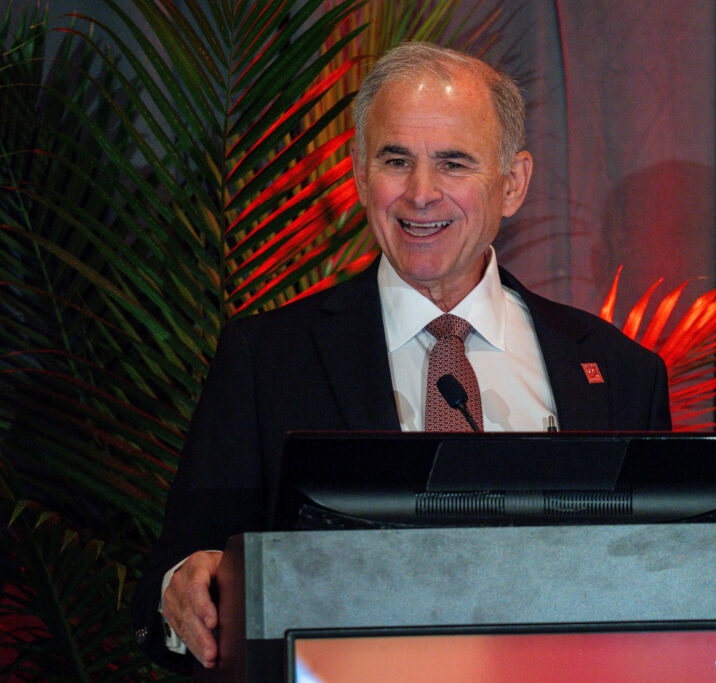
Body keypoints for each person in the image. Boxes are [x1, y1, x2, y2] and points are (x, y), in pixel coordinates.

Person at [131, 42, 671, 673]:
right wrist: (185, 590)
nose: (421, 194)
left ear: (513, 184)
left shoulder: (619, 371)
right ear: (361, 174)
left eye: (453, 163)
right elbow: (174, 582)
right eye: (396, 160)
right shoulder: (266, 358)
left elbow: (667, 585)